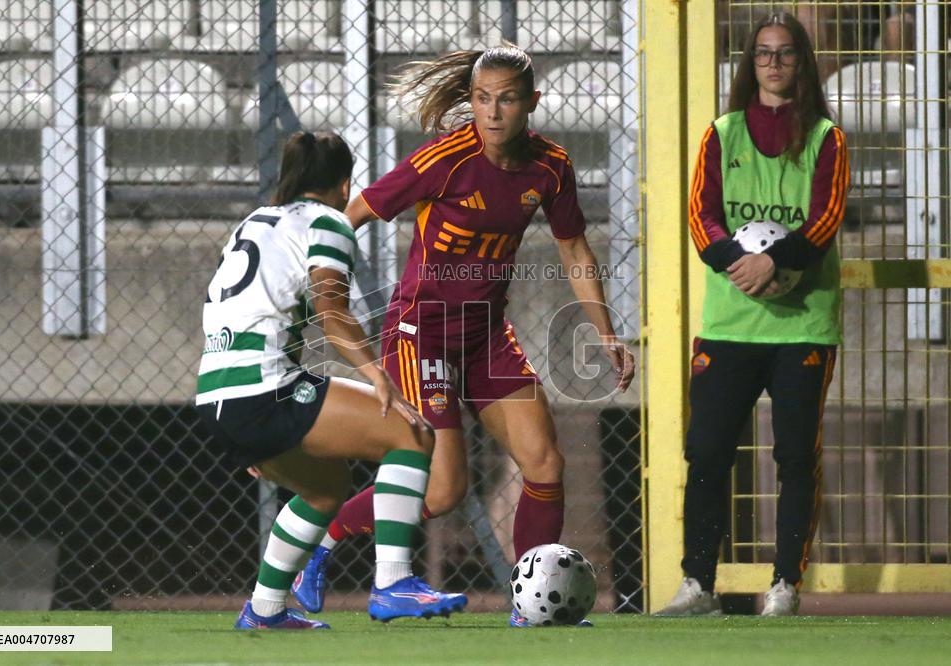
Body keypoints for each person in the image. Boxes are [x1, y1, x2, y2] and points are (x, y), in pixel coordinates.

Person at [289, 44, 636, 627]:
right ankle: (322, 539)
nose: (492, 112)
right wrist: (313, 283)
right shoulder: (444, 160)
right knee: (443, 491)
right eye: (481, 99)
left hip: (485, 337)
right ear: (471, 102)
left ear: (532, 103)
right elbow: (351, 214)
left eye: (505, 99)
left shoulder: (550, 167)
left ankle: (532, 604)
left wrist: (606, 333)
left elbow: (573, 247)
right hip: (421, 331)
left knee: (546, 463)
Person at [195, 130, 467, 629]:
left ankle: (265, 610)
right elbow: (331, 311)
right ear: (345, 184)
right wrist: (375, 373)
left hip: (217, 395)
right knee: (411, 431)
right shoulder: (329, 223)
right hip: (263, 387)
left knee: (325, 489)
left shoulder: (255, 223)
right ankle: (392, 583)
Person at [655, 13, 849, 617]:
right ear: (749, 63)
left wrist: (777, 261)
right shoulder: (722, 132)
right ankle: (698, 586)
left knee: (794, 458)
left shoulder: (826, 137)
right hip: (730, 325)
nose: (773, 63)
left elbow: (825, 216)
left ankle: (785, 586)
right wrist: (737, 260)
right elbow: (700, 213)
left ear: (801, 62)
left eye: (785, 53)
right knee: (707, 451)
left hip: (803, 326)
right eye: (763, 53)